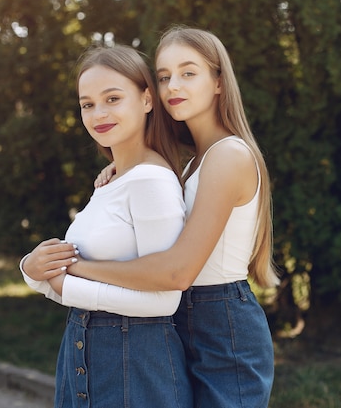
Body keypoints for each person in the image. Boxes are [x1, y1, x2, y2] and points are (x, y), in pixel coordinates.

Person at [24, 26, 279, 408]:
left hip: (221, 324)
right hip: (187, 319)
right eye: (163, 76)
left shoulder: (228, 156)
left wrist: (78, 267)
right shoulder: (193, 161)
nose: (173, 86)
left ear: (219, 82)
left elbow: (176, 274)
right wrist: (121, 170)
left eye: (188, 73)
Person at [19, 44, 192, 408]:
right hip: (82, 352)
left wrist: (68, 284)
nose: (98, 114)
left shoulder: (151, 182)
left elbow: (165, 300)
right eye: (87, 104)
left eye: (112, 98)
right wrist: (32, 271)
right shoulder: (110, 181)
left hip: (136, 362)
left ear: (147, 100)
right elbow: (67, 277)